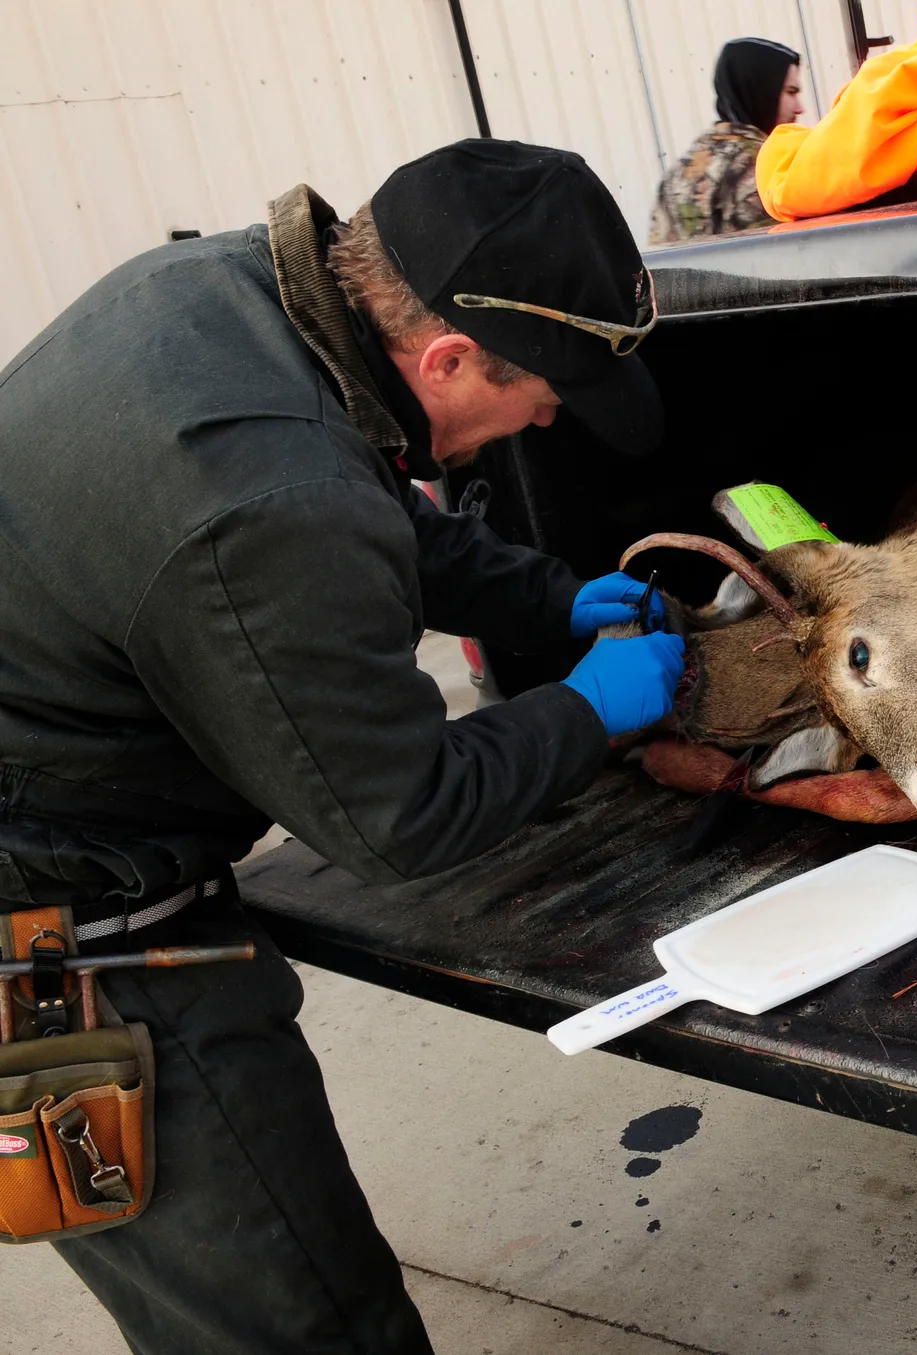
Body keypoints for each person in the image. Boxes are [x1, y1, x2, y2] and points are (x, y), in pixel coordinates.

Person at [0, 139, 688, 1353]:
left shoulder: (234, 297)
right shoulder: (266, 494)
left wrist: (544, 600)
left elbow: (360, 505)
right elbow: (398, 816)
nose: (538, 423)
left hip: (55, 855)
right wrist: (589, 709)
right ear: (448, 356)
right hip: (61, 958)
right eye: (541, 397)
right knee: (297, 1323)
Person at [648, 37, 803, 241]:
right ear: (762, 92)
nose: (799, 107)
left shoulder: (680, 171)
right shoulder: (763, 167)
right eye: (790, 92)